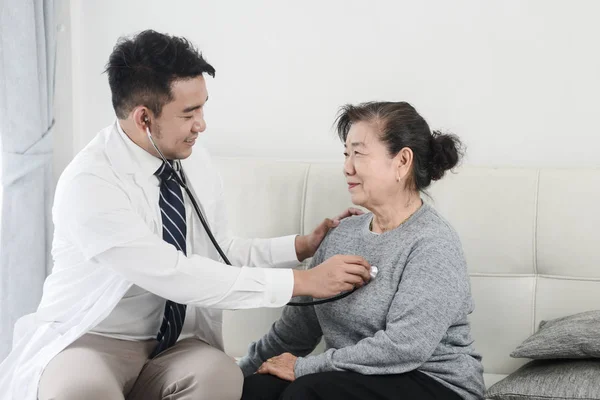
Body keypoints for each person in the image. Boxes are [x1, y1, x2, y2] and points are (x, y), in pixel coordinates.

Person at [0, 30, 372, 400]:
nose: (202, 125)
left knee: (220, 376)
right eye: (189, 113)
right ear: (144, 118)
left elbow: (217, 250)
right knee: (80, 391)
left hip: (174, 345)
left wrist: (300, 247)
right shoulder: (91, 182)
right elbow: (175, 274)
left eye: (203, 107)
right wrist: (303, 283)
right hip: (94, 340)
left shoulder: (192, 159)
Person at [239, 101, 486, 400]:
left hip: (435, 383)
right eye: (346, 154)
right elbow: (296, 331)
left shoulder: (433, 243)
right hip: (355, 380)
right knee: (256, 389)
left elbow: (404, 347)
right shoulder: (341, 235)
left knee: (307, 393)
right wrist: (241, 373)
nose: (347, 167)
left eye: (358, 153)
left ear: (402, 162)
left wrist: (305, 368)